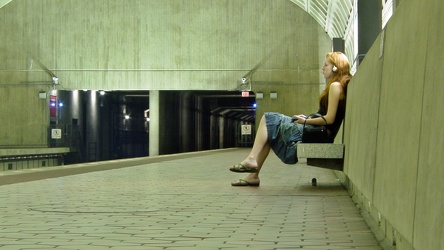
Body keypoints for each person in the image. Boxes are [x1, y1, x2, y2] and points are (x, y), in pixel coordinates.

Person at [229, 51, 352, 186]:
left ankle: (251, 159)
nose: (323, 68)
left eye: (326, 65)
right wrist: (306, 118)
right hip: (317, 131)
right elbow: (325, 116)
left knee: (267, 117)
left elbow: (329, 119)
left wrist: (305, 121)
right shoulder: (337, 85)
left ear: (335, 67)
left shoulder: (335, 86)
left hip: (319, 133)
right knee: (269, 133)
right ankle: (253, 176)